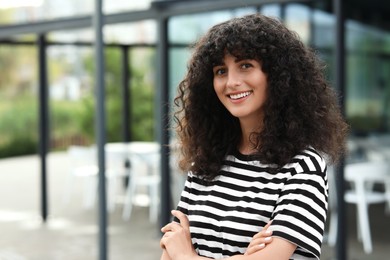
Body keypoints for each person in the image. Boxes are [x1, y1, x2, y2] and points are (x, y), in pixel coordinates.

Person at [160, 13, 349, 260]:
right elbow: (169, 252)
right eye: (220, 71)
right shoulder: (205, 163)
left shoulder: (303, 167)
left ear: (279, 76)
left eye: (245, 65)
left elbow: (179, 254)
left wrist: (189, 256)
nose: (231, 82)